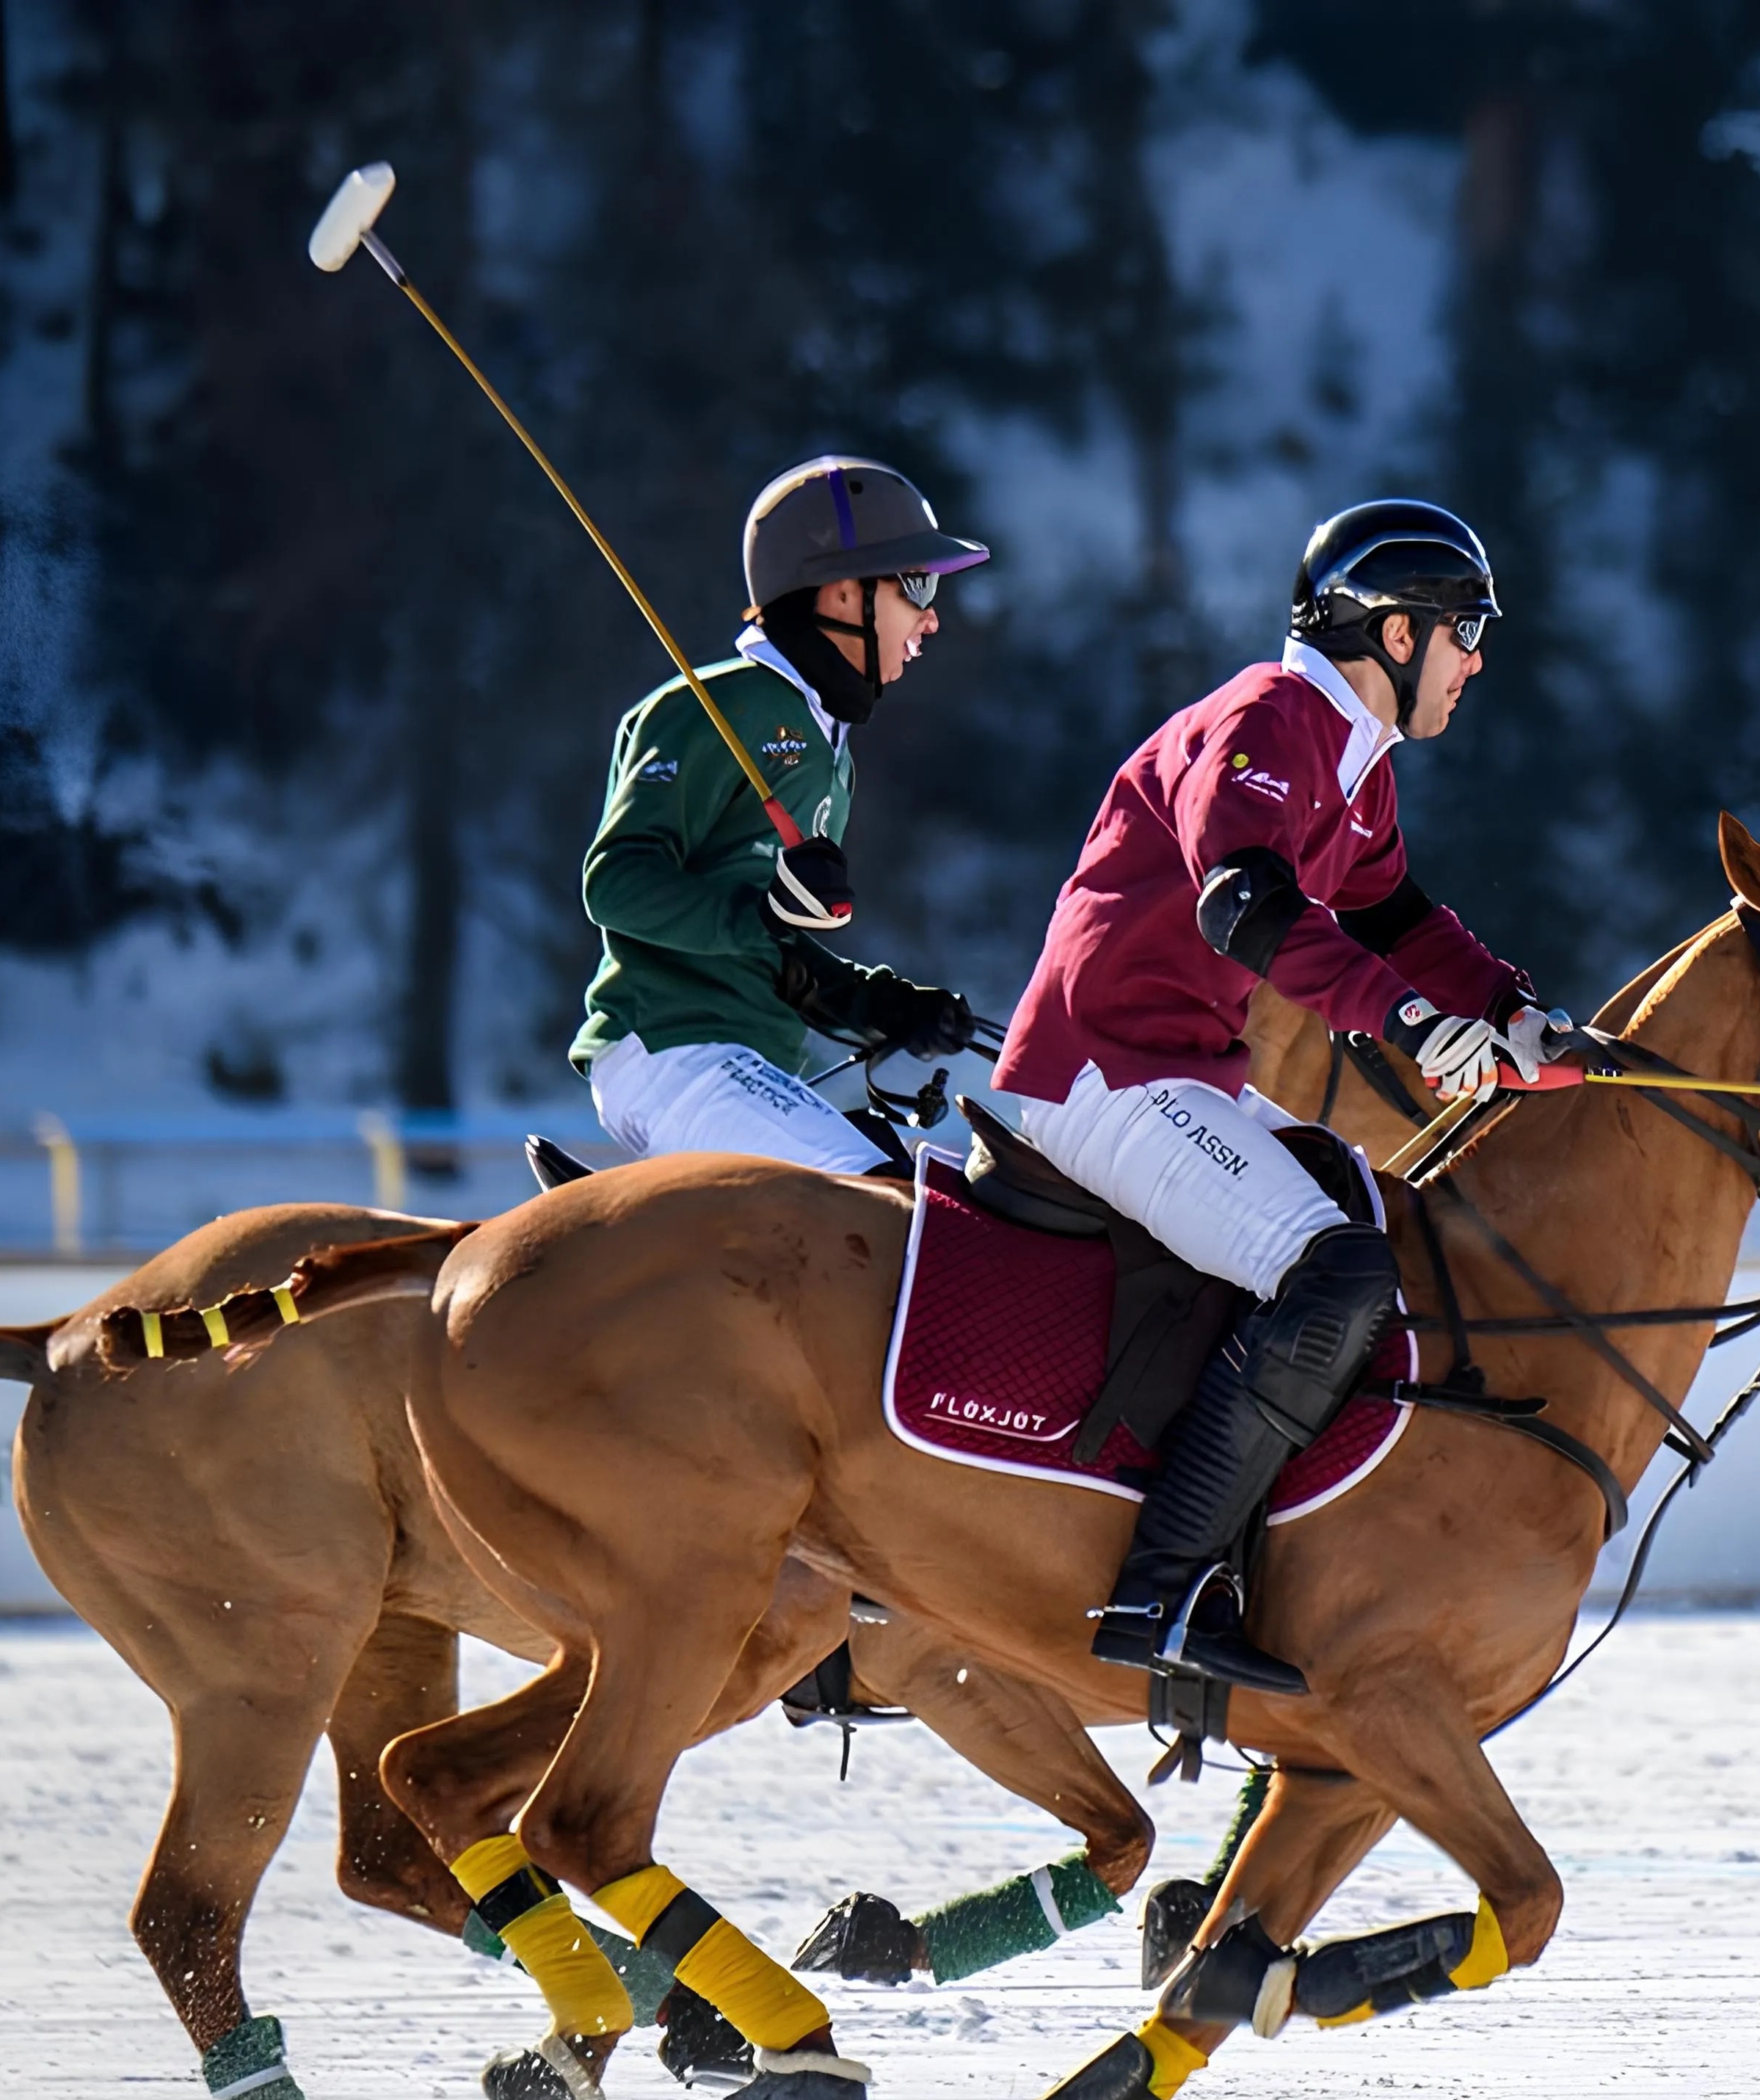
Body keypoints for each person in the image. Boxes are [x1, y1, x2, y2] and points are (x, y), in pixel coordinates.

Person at [991, 498, 1568, 1698]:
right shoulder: (1269, 717)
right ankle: (1162, 1585)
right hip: (1103, 1070)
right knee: (1339, 1272)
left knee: (1375, 1219)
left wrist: (1519, 1011)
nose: (1477, 660)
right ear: (1394, 634)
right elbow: (1242, 906)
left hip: (1183, 1074)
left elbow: (1400, 919)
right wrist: (1409, 1022)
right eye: (1464, 631)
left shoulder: (1355, 767)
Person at [569, 456, 991, 1174]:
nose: (931, 619)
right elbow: (614, 883)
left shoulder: (832, 752)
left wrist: (878, 1003)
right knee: (882, 1203)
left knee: (927, 1191)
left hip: (747, 1054)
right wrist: (763, 914)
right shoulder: (718, 708)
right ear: (837, 595)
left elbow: (774, 956)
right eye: (914, 586)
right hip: (669, 1047)